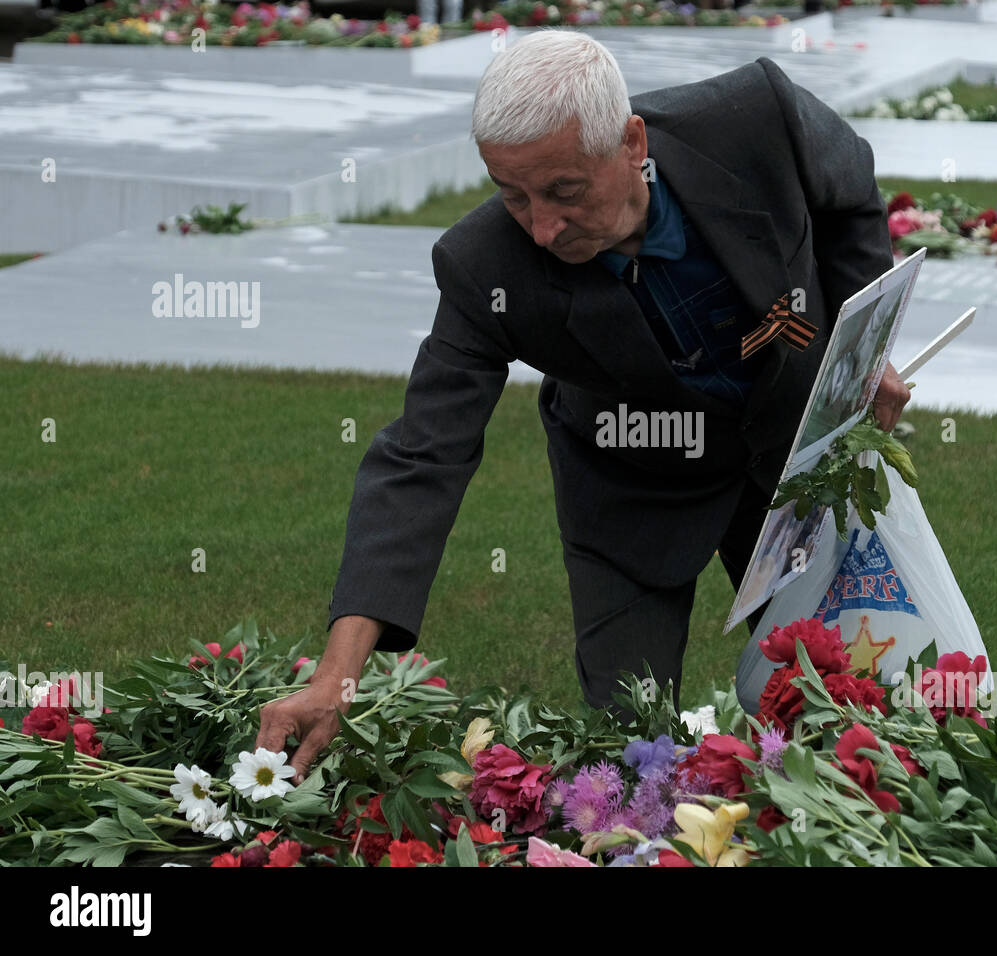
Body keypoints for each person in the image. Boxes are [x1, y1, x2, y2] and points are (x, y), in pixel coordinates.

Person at [255, 30, 909, 783]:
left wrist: (865, 343)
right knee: (631, 758)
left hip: (794, 465)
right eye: (512, 194)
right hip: (628, 493)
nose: (540, 227)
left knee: (850, 717)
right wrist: (335, 677)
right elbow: (421, 456)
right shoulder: (483, 269)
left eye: (565, 191)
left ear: (633, 142)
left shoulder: (756, 118)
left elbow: (849, 189)